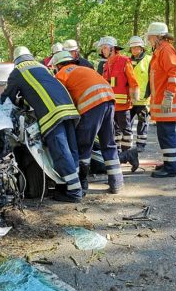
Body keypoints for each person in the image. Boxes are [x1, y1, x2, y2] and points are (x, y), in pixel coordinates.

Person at [0, 46, 82, 202]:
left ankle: (74, 192)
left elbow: (7, 97)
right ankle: (72, 185)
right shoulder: (42, 67)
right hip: (69, 107)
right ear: (30, 56)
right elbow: (41, 88)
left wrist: (16, 102)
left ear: (16, 60)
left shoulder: (17, 71)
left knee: (60, 151)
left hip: (52, 113)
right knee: (71, 149)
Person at [52, 50, 124, 194]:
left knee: (83, 144)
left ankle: (82, 182)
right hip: (109, 99)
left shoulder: (61, 74)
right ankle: (117, 183)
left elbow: (62, 99)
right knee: (108, 142)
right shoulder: (84, 68)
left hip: (92, 104)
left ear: (58, 66)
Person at [147, 22, 176, 178]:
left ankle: (171, 168)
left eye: (150, 37)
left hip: (167, 103)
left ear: (156, 36)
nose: (148, 39)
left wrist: (169, 97)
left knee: (167, 134)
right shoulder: (160, 51)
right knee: (163, 134)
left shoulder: (166, 50)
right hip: (163, 102)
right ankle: (169, 162)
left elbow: (175, 73)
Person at [99, 36, 139, 153]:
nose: (103, 51)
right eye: (102, 48)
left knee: (126, 129)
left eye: (105, 48)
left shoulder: (124, 61)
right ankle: (116, 152)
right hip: (111, 104)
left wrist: (134, 97)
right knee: (114, 130)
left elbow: (133, 81)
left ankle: (127, 153)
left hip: (123, 104)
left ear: (113, 49)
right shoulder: (106, 65)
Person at [127, 36, 152, 152]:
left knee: (143, 122)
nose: (134, 50)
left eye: (136, 47)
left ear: (142, 48)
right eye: (132, 48)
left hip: (144, 98)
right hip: (130, 98)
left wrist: (150, 93)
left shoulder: (149, 60)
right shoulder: (127, 61)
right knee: (128, 122)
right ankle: (127, 145)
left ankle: (140, 145)